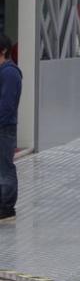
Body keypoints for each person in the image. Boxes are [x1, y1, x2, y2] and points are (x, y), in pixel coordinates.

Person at [0, 34, 22, 220]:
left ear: (3, 50)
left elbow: (6, 106)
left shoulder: (9, 73)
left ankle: (7, 207)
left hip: (4, 128)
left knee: (5, 167)